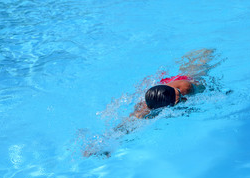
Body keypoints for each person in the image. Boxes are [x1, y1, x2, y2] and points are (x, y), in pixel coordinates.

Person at [84, 49, 218, 157]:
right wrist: (105, 146)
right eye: (178, 100)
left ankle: (204, 52)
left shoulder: (187, 88)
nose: (181, 99)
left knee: (202, 62)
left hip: (180, 80)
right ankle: (96, 148)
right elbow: (127, 125)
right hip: (162, 88)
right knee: (137, 118)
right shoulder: (146, 104)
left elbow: (207, 88)